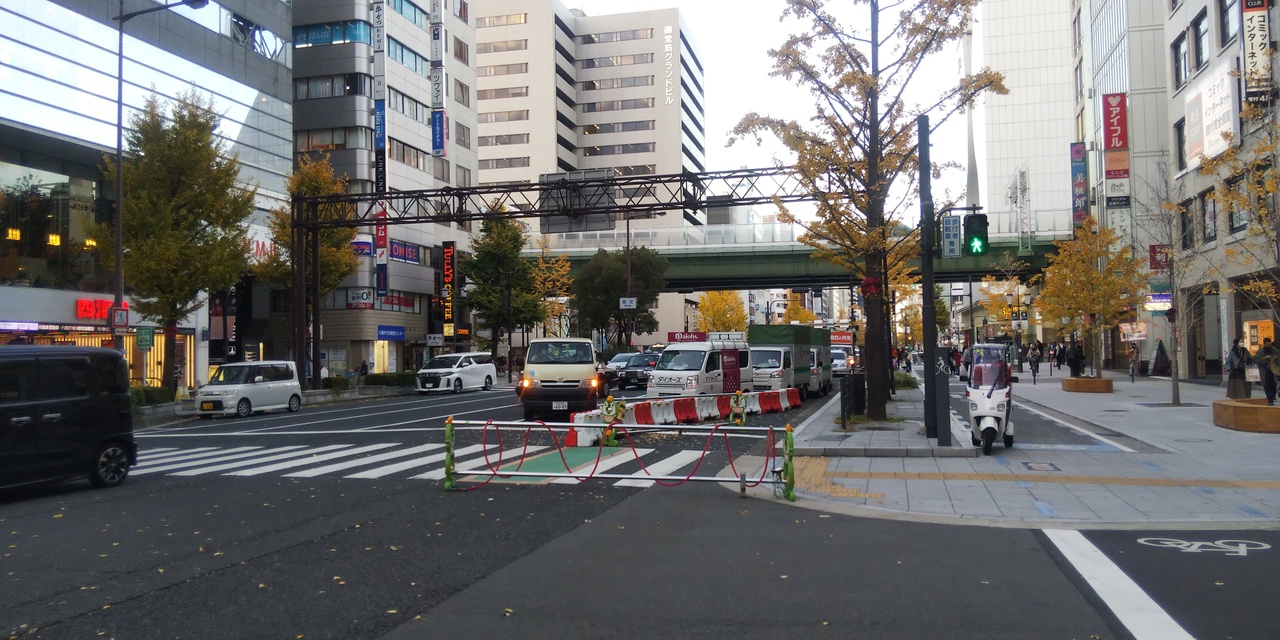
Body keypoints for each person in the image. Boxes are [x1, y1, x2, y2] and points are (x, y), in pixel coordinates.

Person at [1253, 337, 1280, 405]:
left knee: (1273, 385)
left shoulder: (1274, 350)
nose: (1269, 346)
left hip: (1274, 370)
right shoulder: (1260, 351)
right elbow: (1257, 360)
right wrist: (1264, 358)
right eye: (1267, 344)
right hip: (1264, 370)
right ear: (1264, 344)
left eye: (1270, 344)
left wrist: (1276, 358)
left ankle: (1272, 397)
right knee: (1266, 385)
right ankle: (1270, 400)